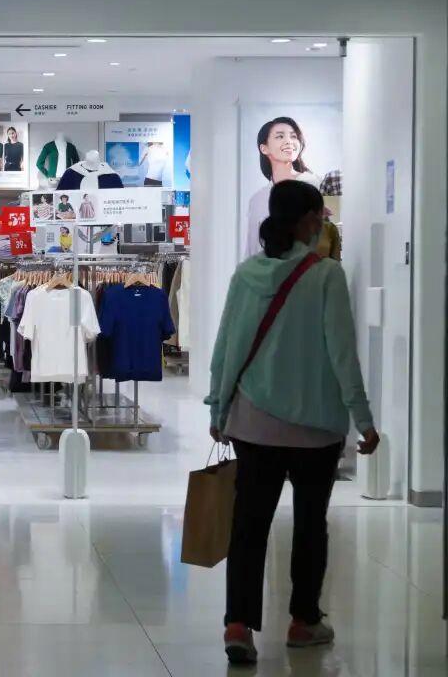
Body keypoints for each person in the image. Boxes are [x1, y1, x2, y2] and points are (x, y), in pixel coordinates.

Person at [206, 179, 379, 665]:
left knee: (249, 524)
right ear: (307, 221)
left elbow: (227, 345)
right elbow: (343, 354)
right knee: (310, 525)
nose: (322, 224)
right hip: (316, 428)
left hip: (254, 423)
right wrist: (363, 419)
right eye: (320, 216)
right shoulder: (326, 276)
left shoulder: (246, 275)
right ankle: (304, 621)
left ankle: (238, 624)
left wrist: (219, 407)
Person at [243, 117, 321, 258]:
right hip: (269, 270)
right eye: (280, 136)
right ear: (264, 148)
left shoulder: (314, 184)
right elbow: (252, 249)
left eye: (293, 136)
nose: (289, 141)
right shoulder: (257, 200)